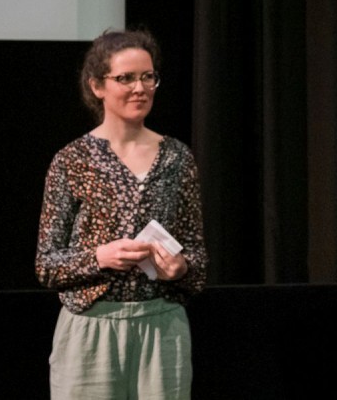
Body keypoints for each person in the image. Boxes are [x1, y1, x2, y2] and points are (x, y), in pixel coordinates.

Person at [35, 28, 208, 399]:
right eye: (125, 78)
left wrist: (181, 268)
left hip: (161, 326)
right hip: (91, 328)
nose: (140, 88)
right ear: (97, 86)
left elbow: (196, 253)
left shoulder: (177, 157)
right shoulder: (72, 161)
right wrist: (100, 256)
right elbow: (47, 264)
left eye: (148, 77)